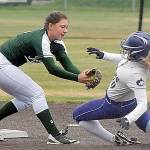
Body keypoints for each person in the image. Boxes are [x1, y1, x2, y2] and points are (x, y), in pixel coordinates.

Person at [0, 11, 90, 144]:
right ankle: (54, 135)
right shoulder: (41, 39)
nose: (66, 31)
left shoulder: (58, 43)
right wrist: (77, 78)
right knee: (37, 93)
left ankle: (54, 135)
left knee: (25, 99)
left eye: (66, 27)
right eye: (62, 27)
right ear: (50, 26)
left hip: (5, 65)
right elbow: (52, 69)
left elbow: (67, 65)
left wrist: (83, 76)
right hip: (2, 63)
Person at [73, 31, 150, 145]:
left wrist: (128, 119)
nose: (126, 52)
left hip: (113, 106)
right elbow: (123, 58)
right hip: (132, 103)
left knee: (78, 115)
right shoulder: (139, 61)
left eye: (129, 50)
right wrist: (104, 55)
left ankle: (115, 140)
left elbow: (143, 105)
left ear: (137, 54)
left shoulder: (133, 73)